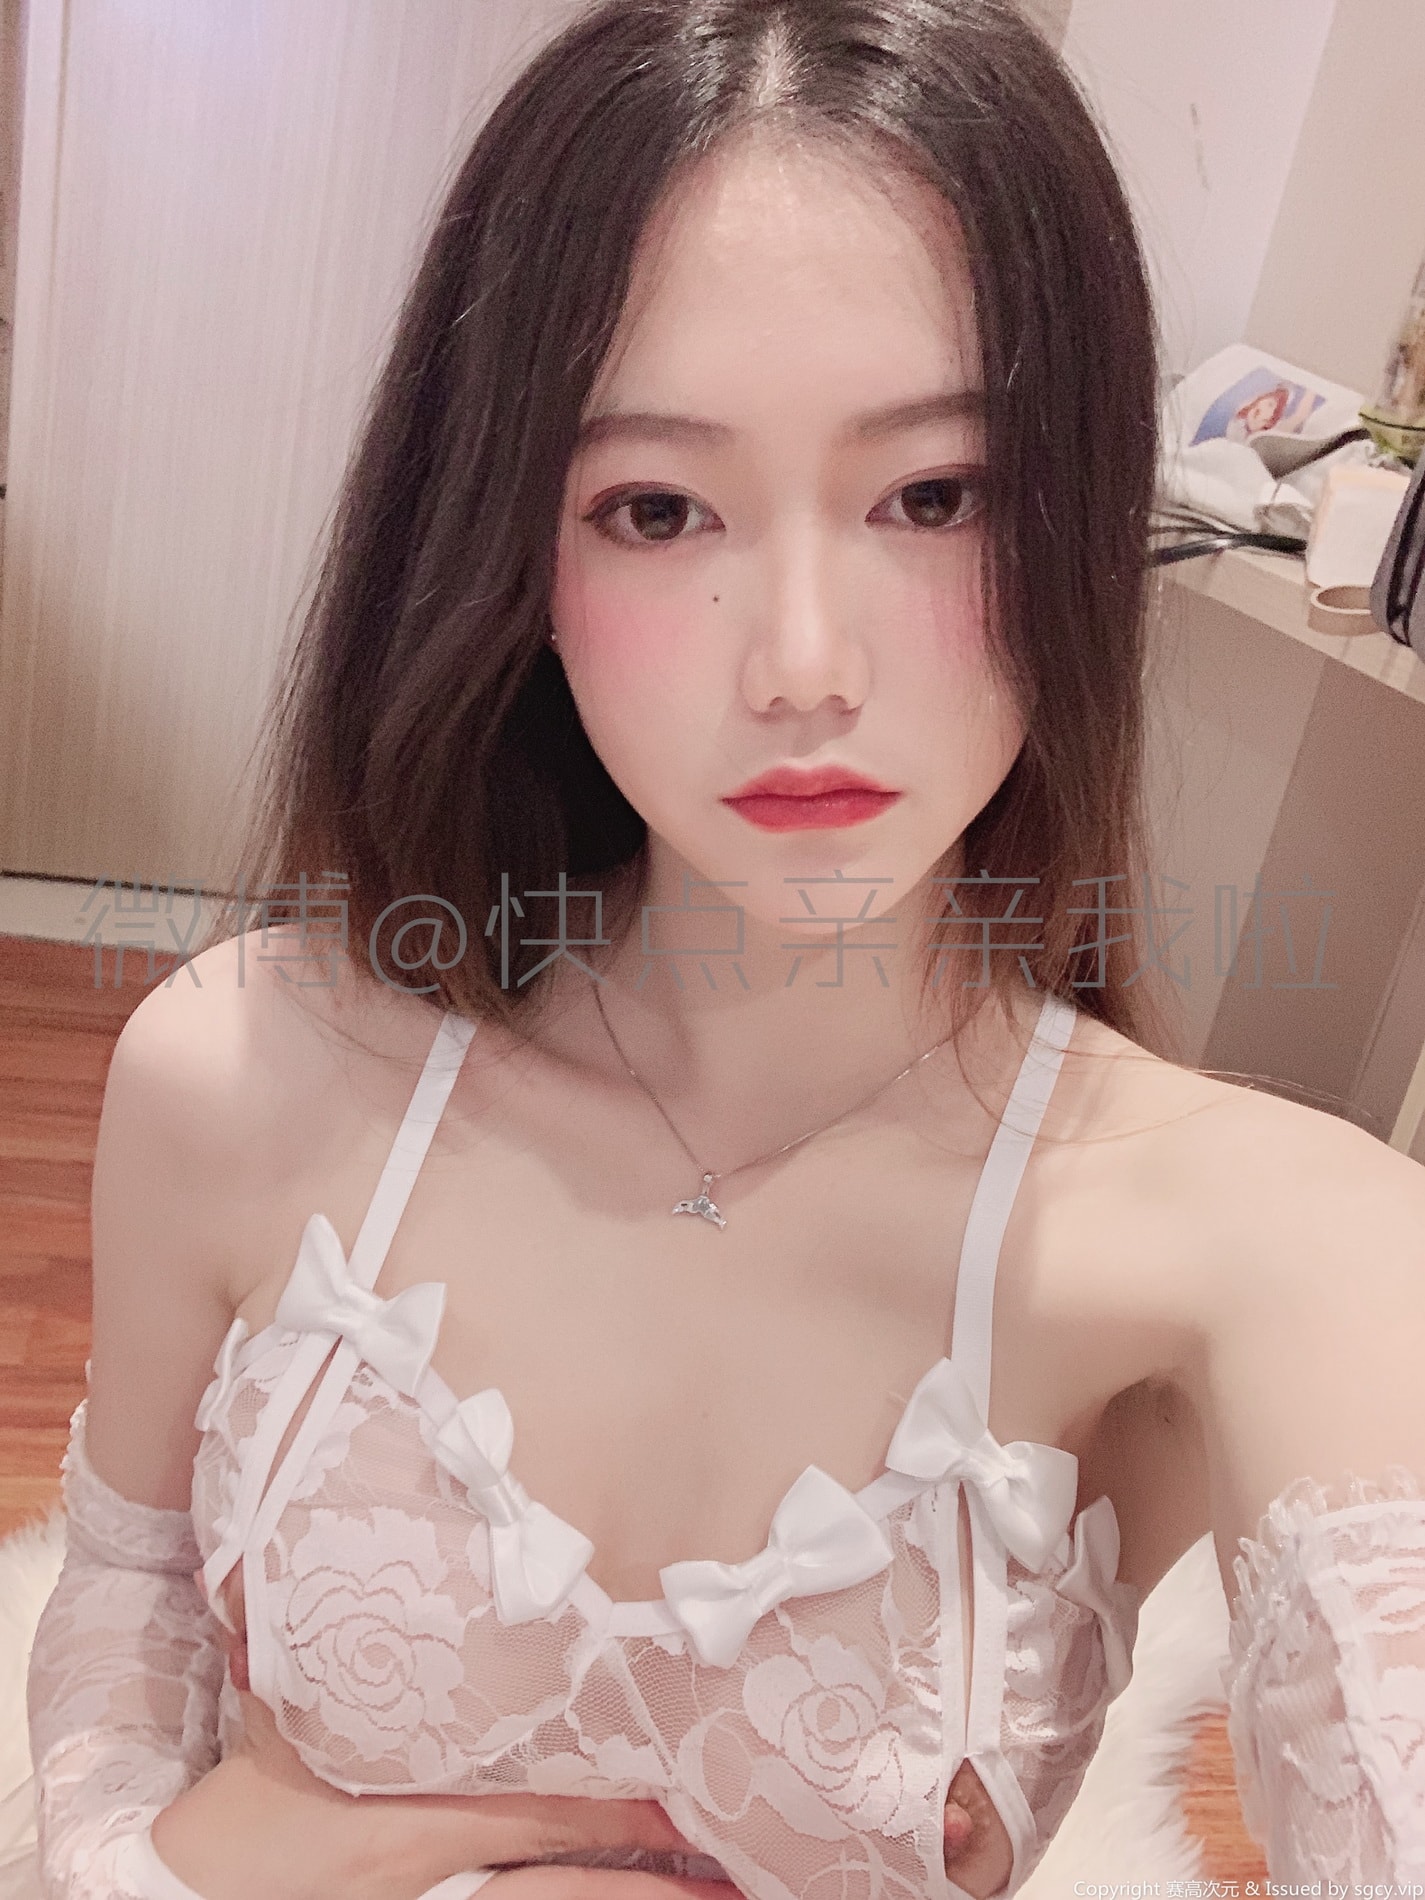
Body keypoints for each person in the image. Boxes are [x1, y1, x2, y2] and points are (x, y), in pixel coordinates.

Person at [26, 0, 1425, 1895]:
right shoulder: (243, 1067)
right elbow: (113, 1676)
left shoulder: (1270, 1251)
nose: (800, 665)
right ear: (513, 551)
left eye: (934, 495)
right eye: (656, 507)